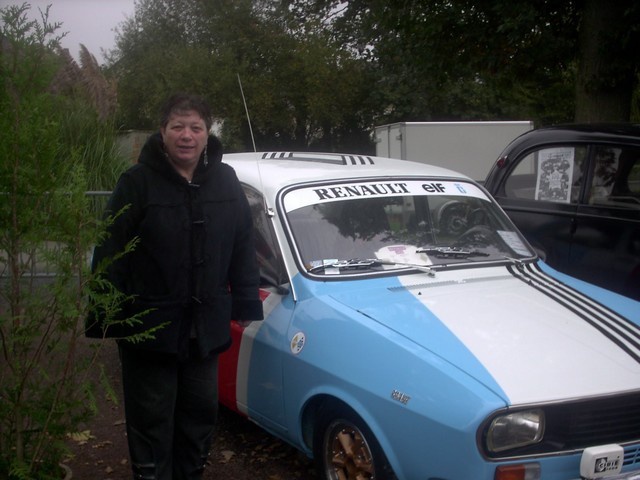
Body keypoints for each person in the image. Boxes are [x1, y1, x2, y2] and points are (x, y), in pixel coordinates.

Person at [87, 93, 263, 480]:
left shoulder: (225, 180)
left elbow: (241, 245)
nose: (187, 135)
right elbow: (110, 250)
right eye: (178, 127)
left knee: (200, 414)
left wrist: (247, 302)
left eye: (195, 127)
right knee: (151, 419)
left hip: (205, 327)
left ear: (207, 133)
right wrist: (106, 315)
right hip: (147, 328)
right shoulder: (136, 182)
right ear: (163, 132)